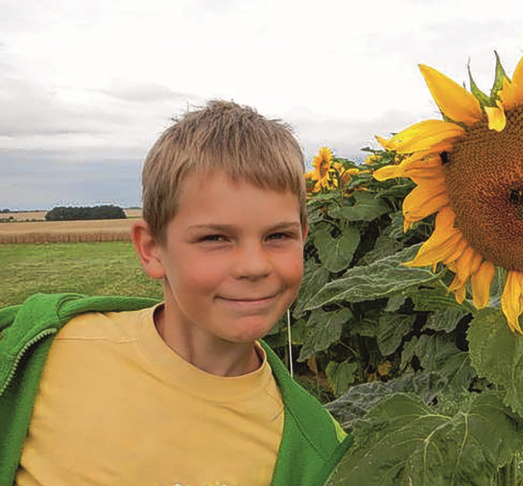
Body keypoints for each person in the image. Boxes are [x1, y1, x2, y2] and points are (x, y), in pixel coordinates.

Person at [0, 100, 351, 486]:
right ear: (151, 249)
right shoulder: (45, 350)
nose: (255, 266)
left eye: (278, 236)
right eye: (215, 237)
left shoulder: (316, 451)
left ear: (303, 236)